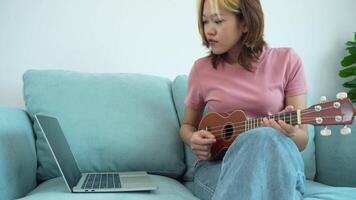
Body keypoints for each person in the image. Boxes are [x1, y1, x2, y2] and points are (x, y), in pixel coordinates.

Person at [179, 0, 308, 199]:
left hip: (279, 163)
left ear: (246, 23)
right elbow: (187, 125)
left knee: (264, 137)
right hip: (219, 166)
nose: (209, 31)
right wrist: (192, 138)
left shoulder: (288, 61)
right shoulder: (201, 69)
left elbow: (302, 140)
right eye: (205, 22)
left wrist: (288, 134)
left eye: (218, 21)